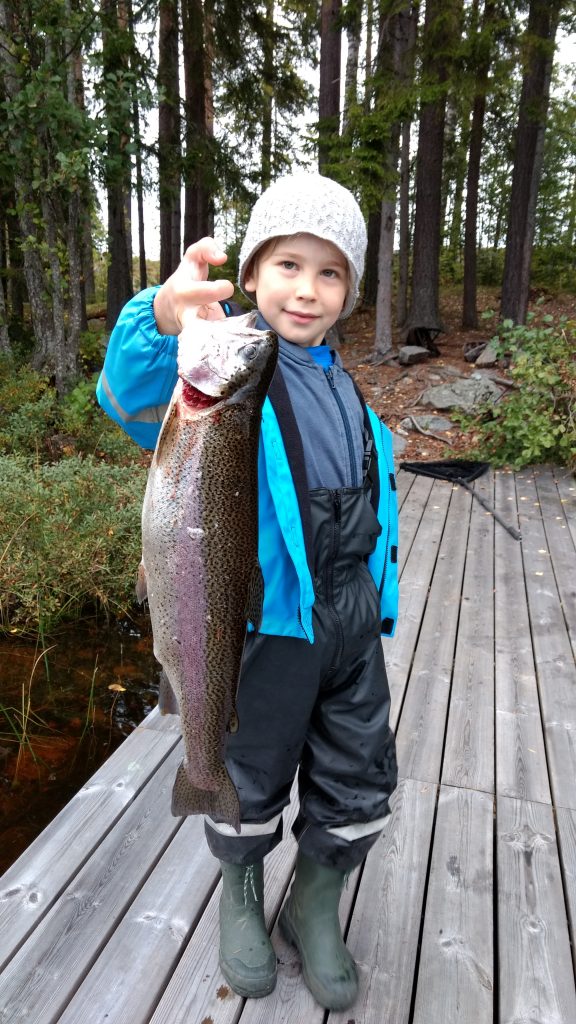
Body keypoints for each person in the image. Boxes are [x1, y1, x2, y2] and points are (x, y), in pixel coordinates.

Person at [97, 172, 399, 1012]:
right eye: (288, 266)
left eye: (330, 272)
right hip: (264, 623)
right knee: (250, 767)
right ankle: (240, 894)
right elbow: (123, 388)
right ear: (255, 275)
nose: (307, 289)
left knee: (359, 775)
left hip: (349, 630)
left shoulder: (347, 386)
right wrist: (160, 318)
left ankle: (312, 903)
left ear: (349, 290)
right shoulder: (220, 374)